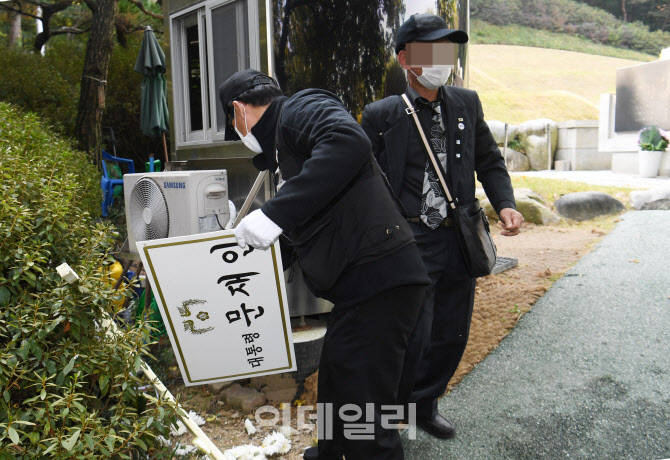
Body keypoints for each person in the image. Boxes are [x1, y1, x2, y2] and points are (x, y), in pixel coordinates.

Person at [219, 69, 430, 459]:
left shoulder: (300, 108)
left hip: (380, 278)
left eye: (234, 126)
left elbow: (349, 141)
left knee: (367, 415)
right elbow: (309, 220)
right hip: (362, 287)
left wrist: (274, 213)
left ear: (238, 111)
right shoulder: (284, 153)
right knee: (336, 383)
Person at [361, 14, 524, 440]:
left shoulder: (467, 102)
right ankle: (390, 416)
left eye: (447, 50)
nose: (442, 60)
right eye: (430, 51)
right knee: (412, 334)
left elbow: (488, 159)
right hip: (409, 238)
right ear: (405, 59)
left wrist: (505, 203)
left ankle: (424, 405)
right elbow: (365, 178)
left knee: (451, 332)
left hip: (460, 237)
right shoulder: (382, 114)